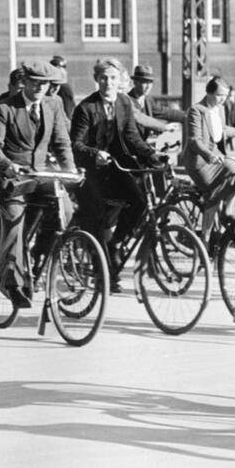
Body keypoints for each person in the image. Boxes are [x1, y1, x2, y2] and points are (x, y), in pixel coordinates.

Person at [0, 60, 75, 307]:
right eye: (35, 83)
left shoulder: (53, 104)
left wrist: (70, 170)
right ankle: (12, 283)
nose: (40, 88)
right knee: (14, 223)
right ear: (24, 83)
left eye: (45, 84)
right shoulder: (5, 108)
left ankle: (39, 257)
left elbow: (61, 142)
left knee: (65, 210)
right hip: (13, 178)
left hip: (41, 174)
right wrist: (8, 165)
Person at [71, 57, 161, 293]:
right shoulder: (86, 108)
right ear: (96, 80)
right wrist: (94, 154)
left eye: (112, 78)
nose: (108, 83)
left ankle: (116, 242)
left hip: (117, 168)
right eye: (103, 78)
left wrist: (152, 155)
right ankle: (103, 276)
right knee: (99, 218)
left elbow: (132, 136)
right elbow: (76, 145)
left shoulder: (123, 102)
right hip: (92, 171)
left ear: (120, 80)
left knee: (139, 203)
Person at [182, 76, 235, 238]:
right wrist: (209, 155)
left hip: (215, 158)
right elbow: (194, 140)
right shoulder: (196, 110)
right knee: (215, 192)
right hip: (199, 163)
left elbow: (221, 131)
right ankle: (205, 237)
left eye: (225, 95)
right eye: (219, 95)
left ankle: (227, 211)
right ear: (208, 93)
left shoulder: (220, 109)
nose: (222, 99)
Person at [128, 63, 171, 140]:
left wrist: (186, 115)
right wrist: (163, 127)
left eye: (150, 82)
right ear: (135, 82)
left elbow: (164, 112)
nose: (148, 86)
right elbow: (140, 119)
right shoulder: (128, 100)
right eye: (144, 82)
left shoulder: (148, 100)